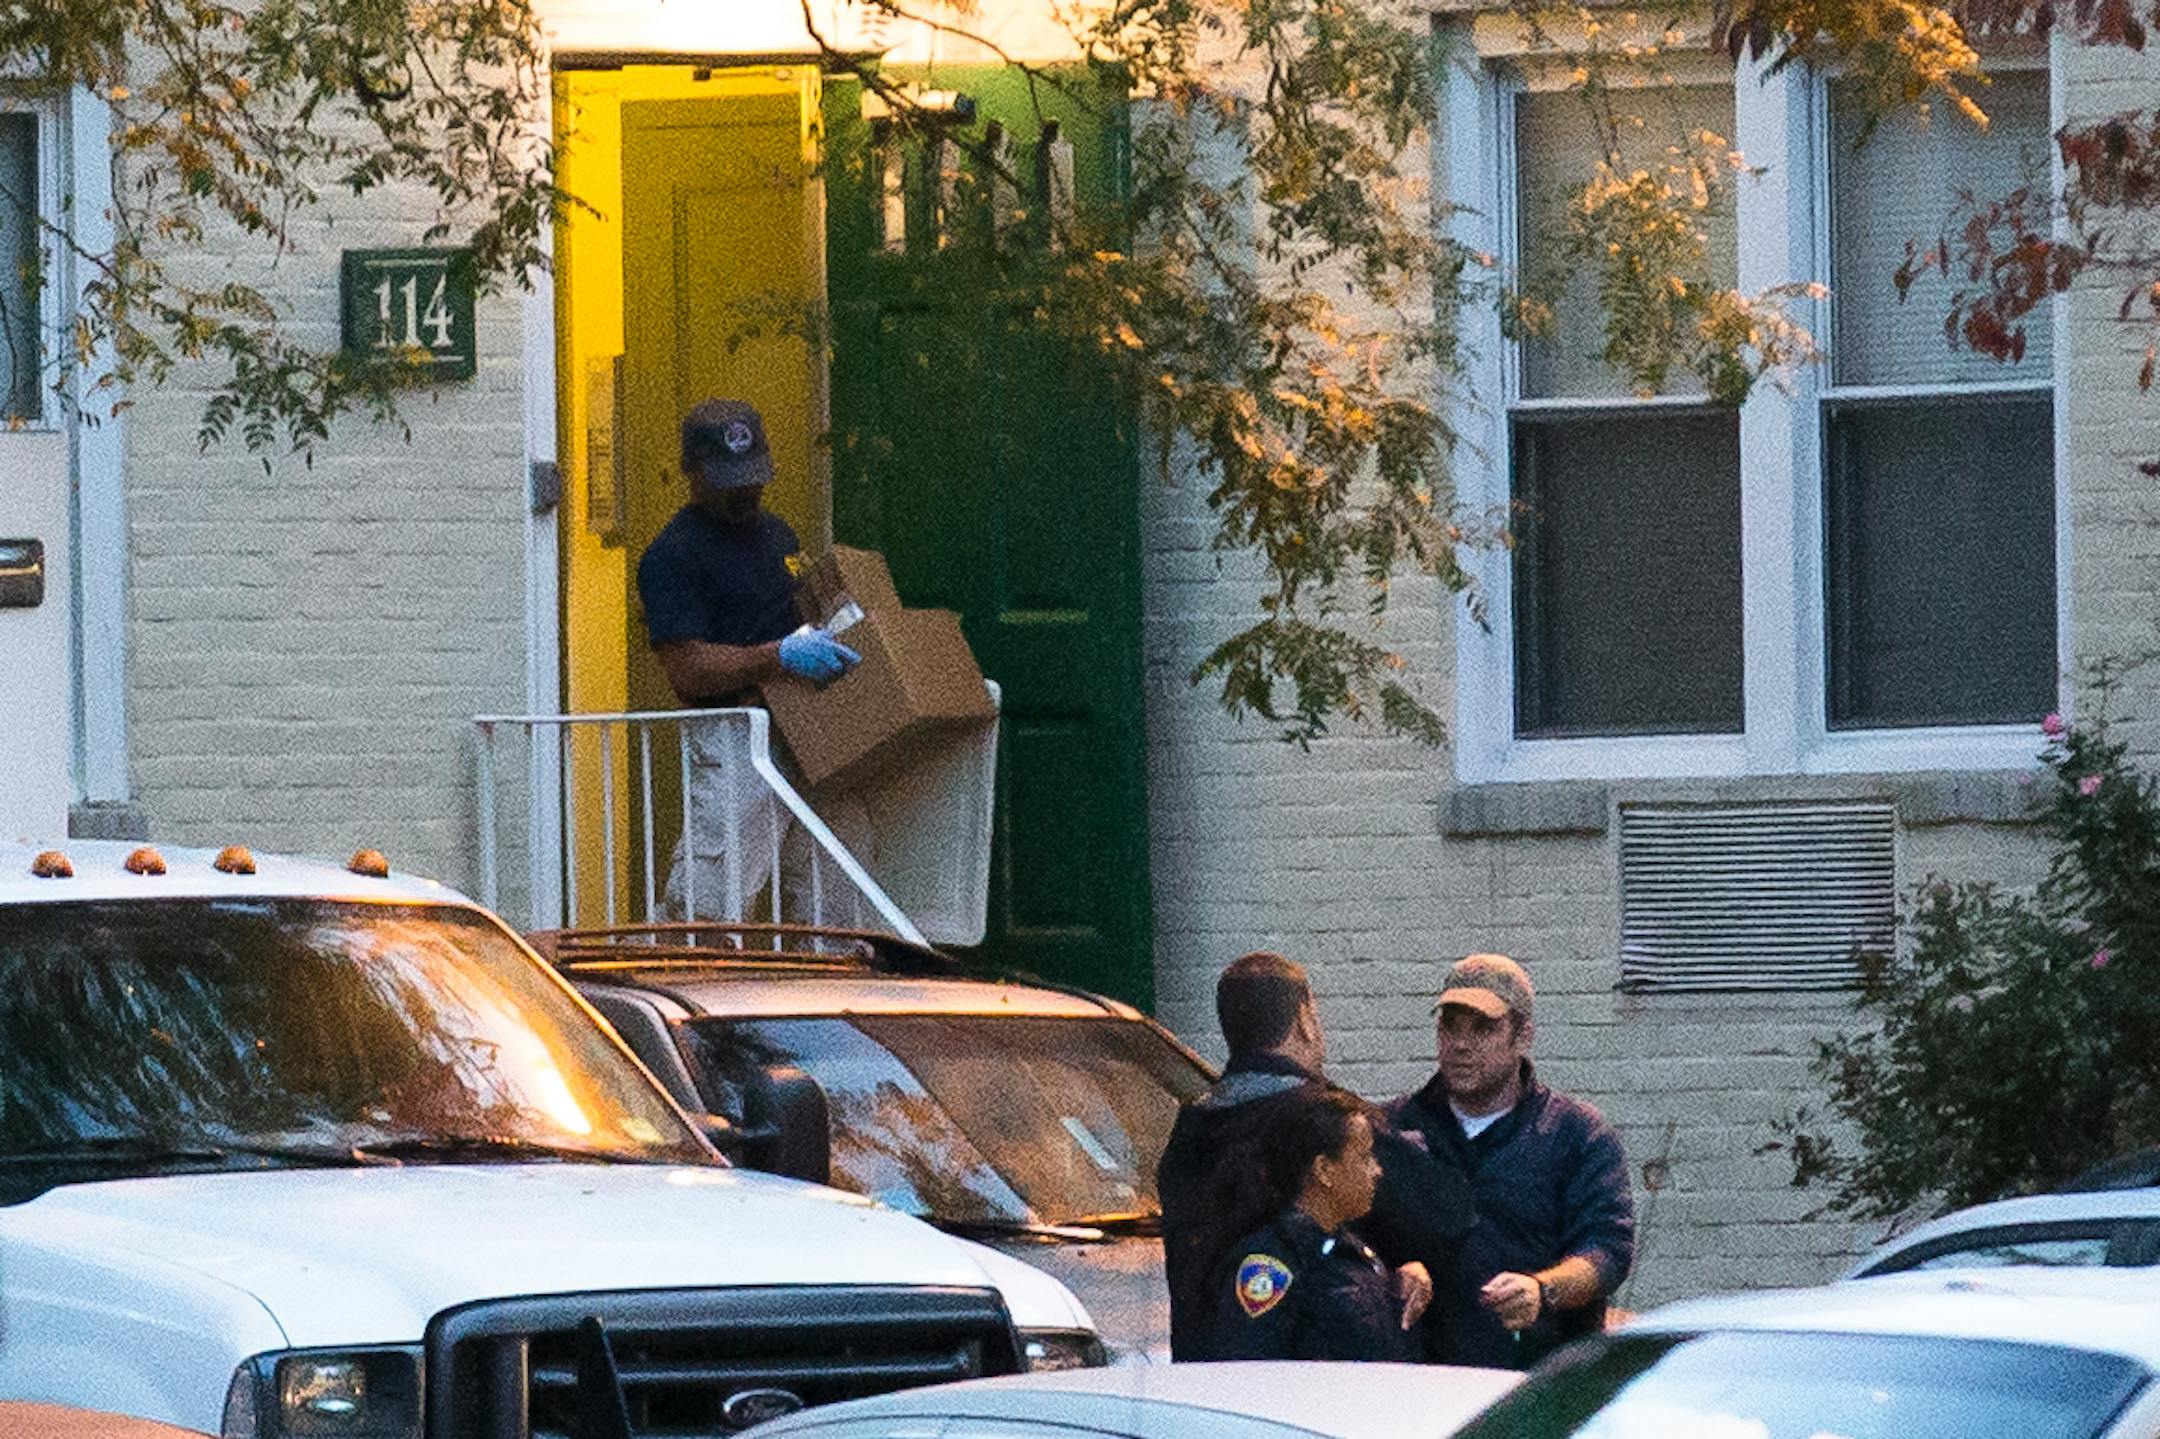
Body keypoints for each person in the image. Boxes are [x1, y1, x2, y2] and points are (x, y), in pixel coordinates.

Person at [1157, 951, 1475, 1361]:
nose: (1373, 1170)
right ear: (1305, 1019)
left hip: (1206, 1387)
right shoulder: (1324, 1120)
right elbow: (1445, 1215)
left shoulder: (1190, 1129)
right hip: (1316, 1387)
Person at [636, 398, 863, 919]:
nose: (744, 491)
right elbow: (687, 668)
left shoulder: (779, 535)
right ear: (691, 472)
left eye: (752, 476)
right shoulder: (672, 557)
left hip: (811, 727)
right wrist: (778, 656)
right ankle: (683, 985)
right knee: (712, 897)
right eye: (727, 479)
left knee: (836, 894)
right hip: (737, 733)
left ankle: (828, 994)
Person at [1385, 953, 1634, 1369]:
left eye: (1483, 1028)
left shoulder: (1576, 1135)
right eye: (1450, 1025)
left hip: (1537, 1386)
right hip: (1421, 1385)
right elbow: (1348, 1237)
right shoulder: (1393, 1129)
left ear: (1524, 1036)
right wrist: (1391, 1268)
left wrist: (1542, 1290)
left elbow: (1608, 1250)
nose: (1461, 1044)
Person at [1187, 1087, 1428, 1361]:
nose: (1377, 1170)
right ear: (1324, 1170)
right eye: (1364, 1158)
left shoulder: (1349, 1248)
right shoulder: (1273, 1262)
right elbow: (1251, 1368)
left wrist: (1397, 1288)